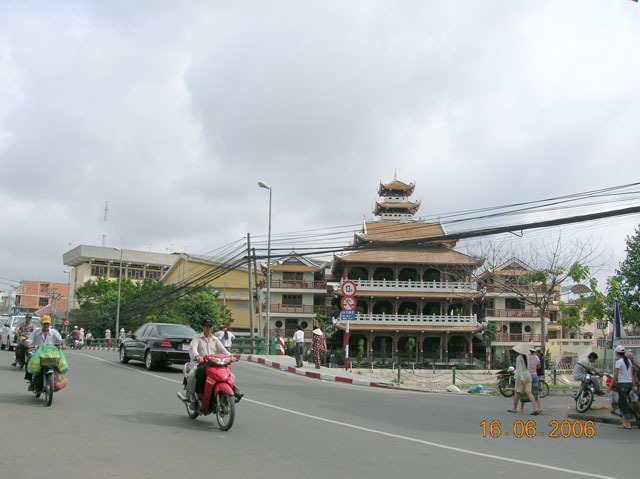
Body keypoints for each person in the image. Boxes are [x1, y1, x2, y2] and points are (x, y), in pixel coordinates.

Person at [186, 319, 243, 404]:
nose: (209, 328)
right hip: (199, 364)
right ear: (203, 327)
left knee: (231, 376)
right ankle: (193, 396)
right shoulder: (197, 338)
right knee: (192, 374)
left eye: (210, 326)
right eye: (207, 326)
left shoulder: (215, 339)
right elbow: (193, 348)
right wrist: (197, 356)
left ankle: (232, 391)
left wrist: (231, 357)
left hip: (213, 364)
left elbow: (223, 350)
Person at [23, 315, 66, 391]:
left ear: (50, 324)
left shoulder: (53, 332)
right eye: (44, 323)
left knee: (58, 363)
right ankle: (31, 382)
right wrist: (28, 345)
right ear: (41, 323)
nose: (46, 325)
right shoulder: (36, 332)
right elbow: (28, 340)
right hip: (37, 353)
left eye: (47, 323)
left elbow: (61, 340)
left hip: (50, 353)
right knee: (29, 361)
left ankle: (56, 379)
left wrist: (63, 345)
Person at [508, 343, 541, 415]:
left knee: (517, 392)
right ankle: (535, 408)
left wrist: (522, 379)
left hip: (521, 377)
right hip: (528, 376)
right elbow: (527, 368)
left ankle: (514, 408)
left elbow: (520, 369)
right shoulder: (527, 356)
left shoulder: (519, 358)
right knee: (529, 392)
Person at [608, 345, 635, 429]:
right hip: (629, 384)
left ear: (616, 353)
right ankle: (624, 423)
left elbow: (615, 376)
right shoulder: (629, 361)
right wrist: (633, 385)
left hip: (622, 385)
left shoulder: (619, 362)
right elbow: (631, 375)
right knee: (621, 402)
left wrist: (610, 387)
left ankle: (628, 424)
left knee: (624, 404)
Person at [519, 346, 540, 413]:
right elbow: (539, 366)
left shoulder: (526, 357)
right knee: (536, 392)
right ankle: (539, 408)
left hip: (527, 375)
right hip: (534, 375)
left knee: (525, 392)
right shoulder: (536, 358)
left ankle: (522, 408)